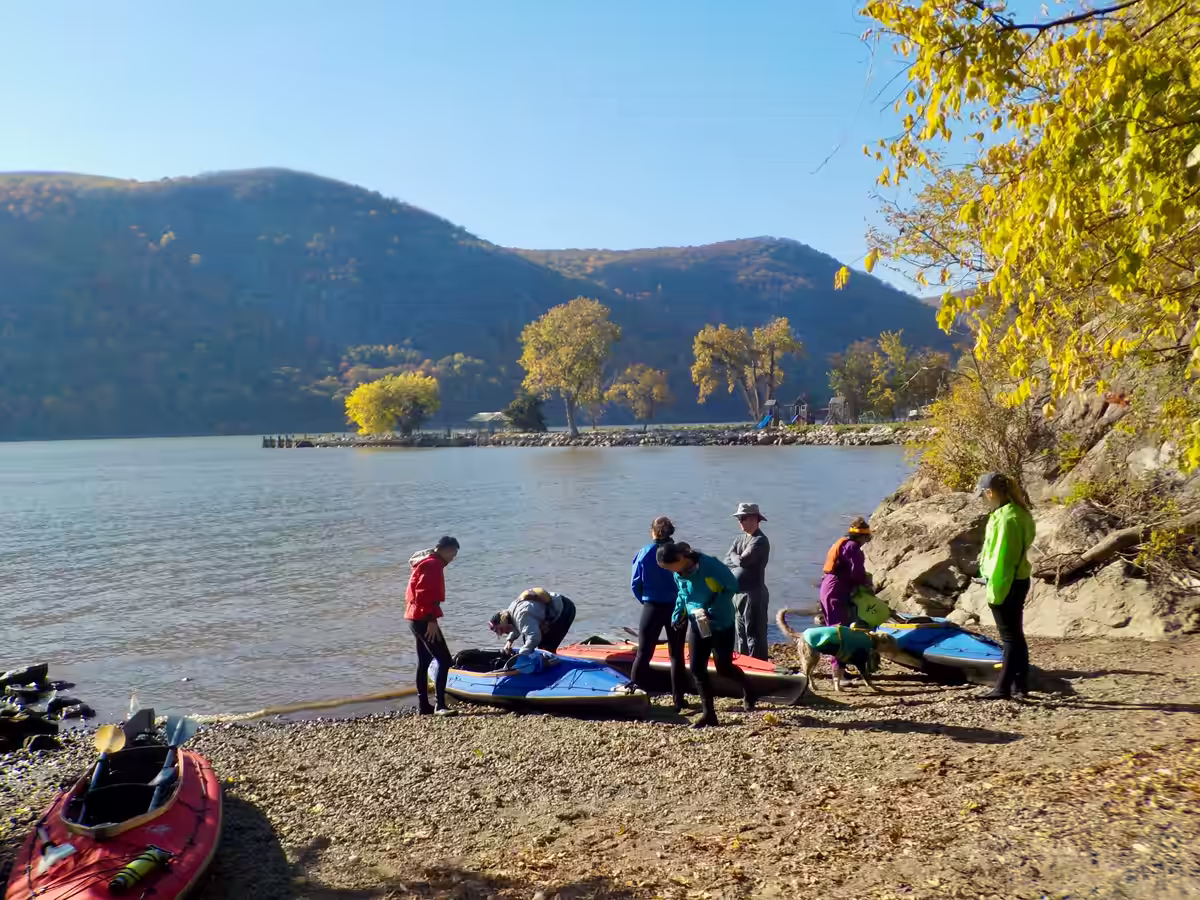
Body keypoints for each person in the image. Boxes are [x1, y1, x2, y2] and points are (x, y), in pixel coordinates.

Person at [657, 542, 756, 728]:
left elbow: (732, 586)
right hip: (698, 622)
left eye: (670, 567)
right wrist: (677, 614)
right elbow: (683, 594)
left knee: (723, 667)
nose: (671, 571)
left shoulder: (709, 565)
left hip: (720, 621)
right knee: (696, 668)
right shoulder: (678, 573)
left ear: (681, 558)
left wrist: (713, 608)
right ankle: (709, 714)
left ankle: (749, 689)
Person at [976, 472, 1036, 700]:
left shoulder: (1006, 518)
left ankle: (1003, 689)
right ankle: (1020, 686)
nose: (983, 499)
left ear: (990, 492)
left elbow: (1003, 558)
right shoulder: (1017, 513)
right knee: (1015, 636)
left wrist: (995, 592)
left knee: (1009, 638)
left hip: (1007, 582)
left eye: (983, 495)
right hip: (1018, 579)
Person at [630, 516, 687, 710]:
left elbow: (635, 584)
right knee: (676, 654)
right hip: (676, 608)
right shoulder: (680, 552)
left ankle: (635, 692)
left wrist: (645, 601)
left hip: (652, 607)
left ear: (653, 531)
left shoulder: (645, 552)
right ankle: (678, 699)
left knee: (644, 653)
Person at [404, 535, 460, 716]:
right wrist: (431, 620)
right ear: (445, 549)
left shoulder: (426, 562)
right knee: (445, 660)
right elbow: (422, 594)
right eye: (453, 553)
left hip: (414, 618)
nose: (453, 558)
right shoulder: (434, 564)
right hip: (423, 618)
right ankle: (440, 705)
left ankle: (423, 706)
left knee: (425, 660)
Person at [818, 517, 873, 688]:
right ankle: (838, 675)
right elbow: (857, 573)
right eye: (866, 538)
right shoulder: (855, 548)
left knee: (837, 629)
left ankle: (841, 669)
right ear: (862, 537)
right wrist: (866, 584)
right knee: (839, 632)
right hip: (836, 591)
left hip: (829, 588)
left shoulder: (843, 543)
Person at [725, 503, 771, 660]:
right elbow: (727, 560)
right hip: (738, 594)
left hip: (753, 594)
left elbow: (743, 561)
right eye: (739, 518)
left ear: (754, 519)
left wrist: (736, 557)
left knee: (754, 635)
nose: (740, 522)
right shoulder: (739, 539)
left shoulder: (760, 540)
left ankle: (758, 666)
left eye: (742, 518)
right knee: (741, 634)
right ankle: (743, 664)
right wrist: (735, 557)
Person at [489, 587, 577, 656]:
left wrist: (522, 653)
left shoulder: (522, 616)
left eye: (500, 630)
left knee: (546, 647)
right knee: (528, 640)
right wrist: (509, 641)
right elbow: (518, 626)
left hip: (565, 609)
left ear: (503, 621)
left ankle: (552, 666)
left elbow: (534, 637)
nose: (502, 633)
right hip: (551, 604)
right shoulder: (511, 611)